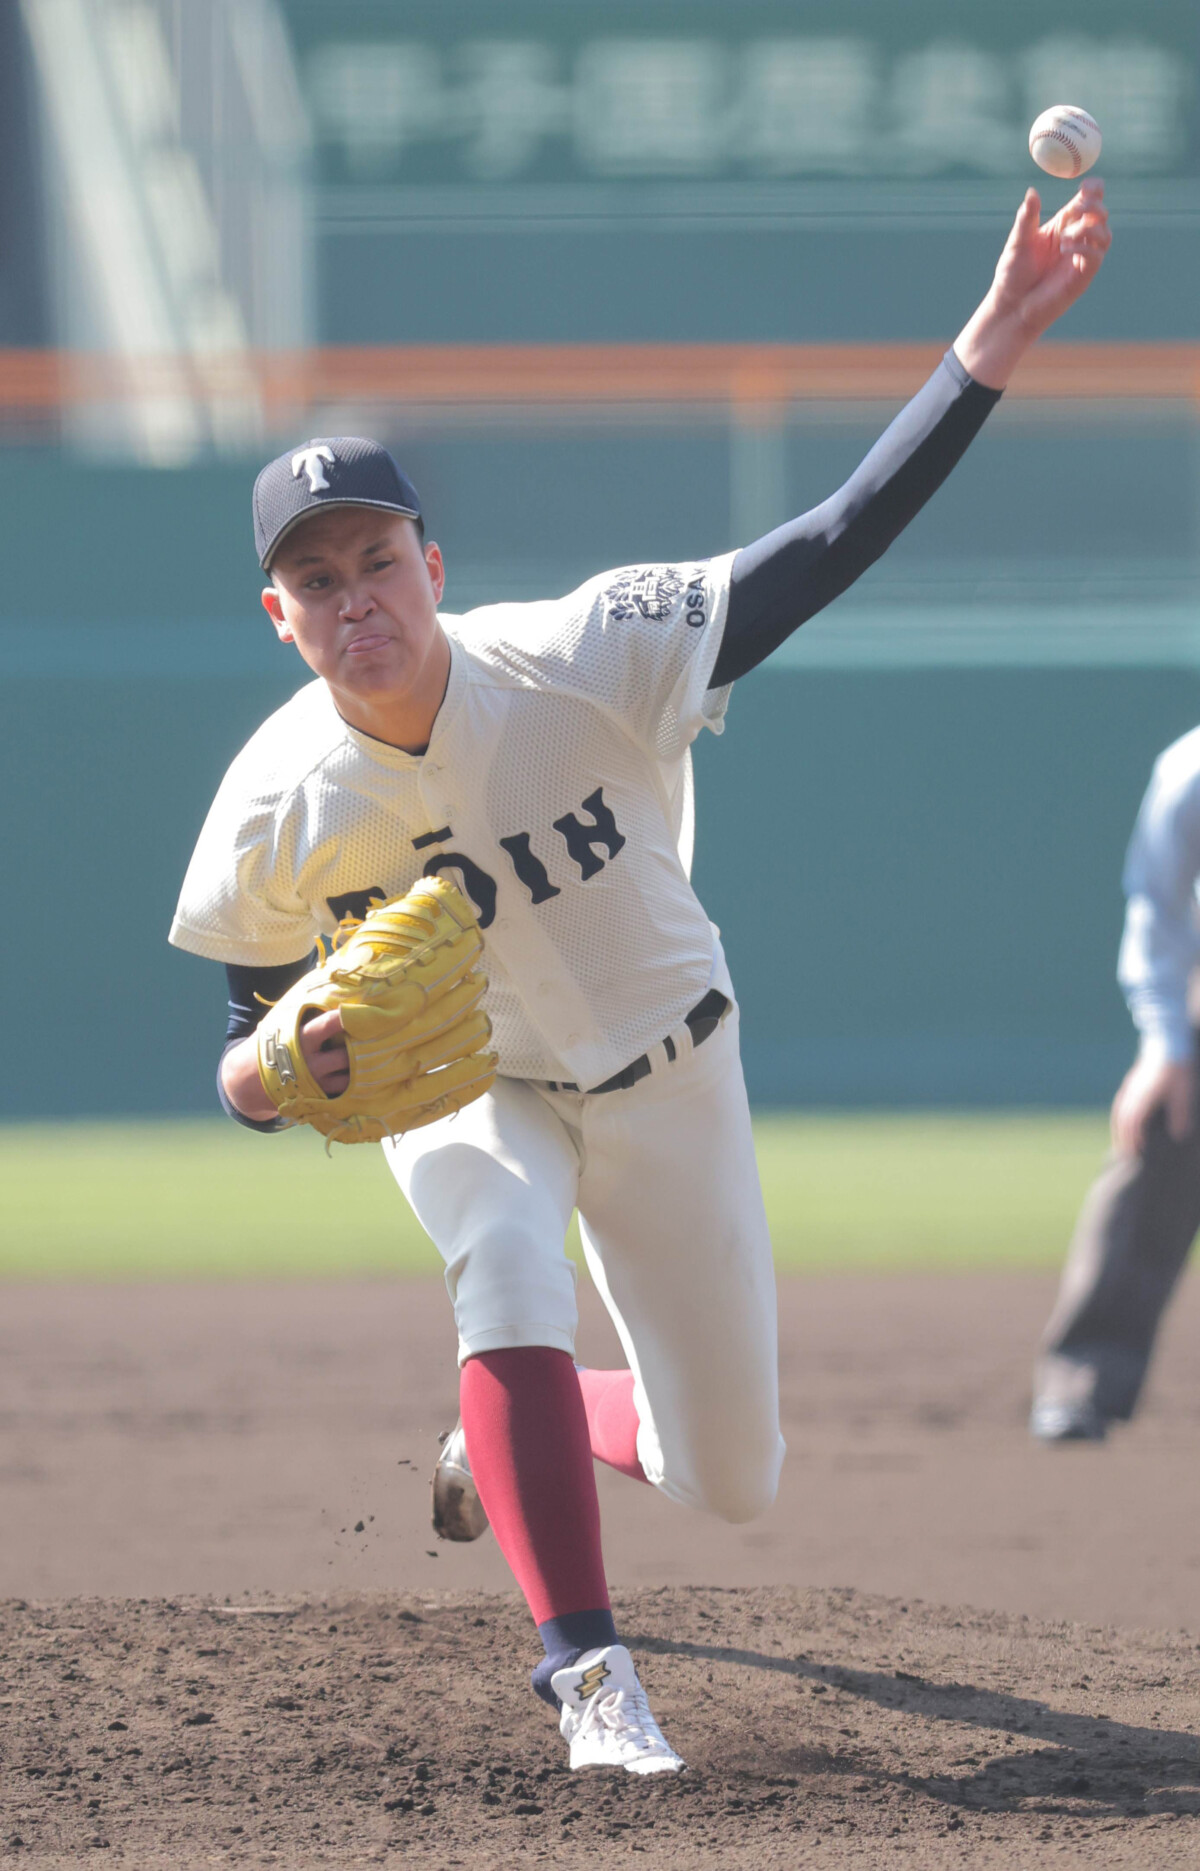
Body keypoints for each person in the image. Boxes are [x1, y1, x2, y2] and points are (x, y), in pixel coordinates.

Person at [170, 183, 1109, 1772]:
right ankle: (589, 1674)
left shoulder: (588, 651)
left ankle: (513, 1431)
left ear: (432, 562)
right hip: (474, 1085)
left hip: (671, 1065)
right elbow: (245, 1049)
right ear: (281, 615)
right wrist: (272, 1072)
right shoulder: (272, 803)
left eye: (377, 558)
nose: (355, 597)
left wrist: (991, 341)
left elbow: (828, 542)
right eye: (317, 580)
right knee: (502, 1256)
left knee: (728, 1472)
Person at [1032, 723, 1200, 1443]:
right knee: (1157, 1140)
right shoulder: (1191, 767)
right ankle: (1084, 1381)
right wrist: (1164, 1046)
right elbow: (1157, 902)